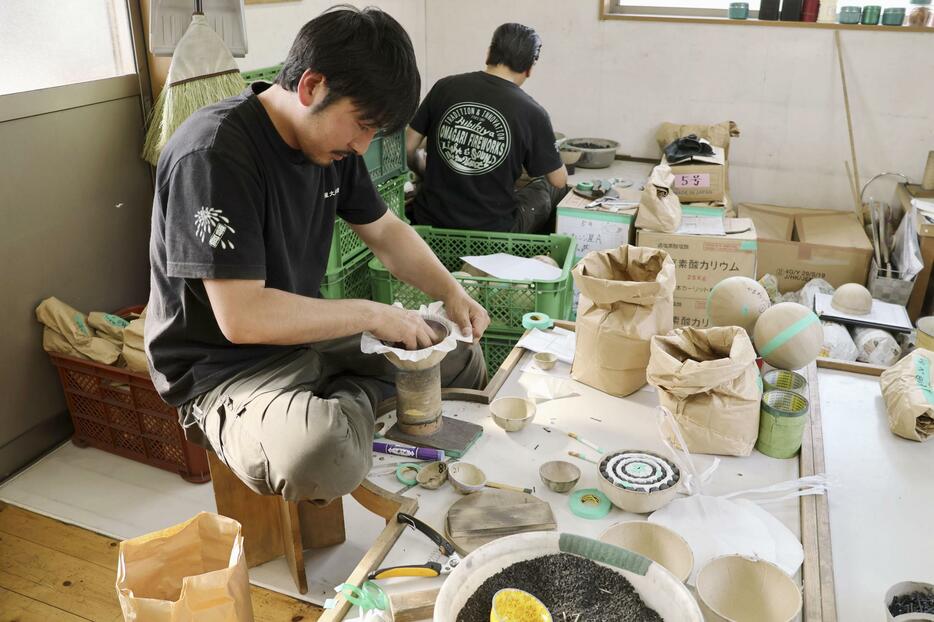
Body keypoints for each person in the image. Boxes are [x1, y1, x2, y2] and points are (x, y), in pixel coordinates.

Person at [144, 6, 490, 505]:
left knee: (460, 355)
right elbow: (242, 320)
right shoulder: (214, 155)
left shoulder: (333, 146)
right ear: (311, 87)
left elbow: (387, 230)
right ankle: (339, 409)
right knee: (320, 452)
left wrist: (450, 293)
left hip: (301, 340)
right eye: (362, 125)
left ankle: (340, 401)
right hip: (223, 370)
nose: (363, 144)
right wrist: (373, 316)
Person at [405, 22, 568, 234]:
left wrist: (423, 169)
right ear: (529, 69)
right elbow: (559, 179)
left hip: (431, 219)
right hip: (493, 231)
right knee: (547, 187)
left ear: (489, 53)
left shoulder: (444, 87)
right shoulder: (532, 113)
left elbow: (408, 146)